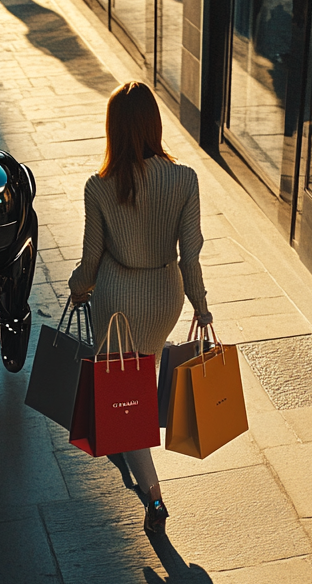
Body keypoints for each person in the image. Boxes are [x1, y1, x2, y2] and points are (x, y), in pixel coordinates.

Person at [70, 82, 211, 534]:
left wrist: (77, 287)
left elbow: (91, 257)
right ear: (155, 124)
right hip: (165, 297)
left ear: (113, 129)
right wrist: (201, 306)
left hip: (115, 304)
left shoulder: (100, 186)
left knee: (122, 400)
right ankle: (130, 434)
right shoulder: (184, 179)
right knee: (140, 376)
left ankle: (152, 496)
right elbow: (190, 255)